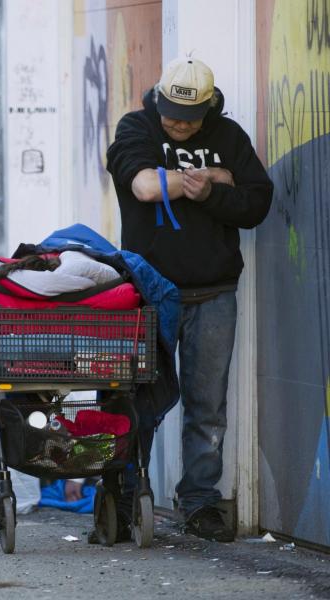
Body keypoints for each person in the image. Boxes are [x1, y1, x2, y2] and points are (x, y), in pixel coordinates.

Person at [106, 57, 273, 542]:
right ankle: (123, 495)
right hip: (148, 296)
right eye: (170, 114)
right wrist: (215, 177)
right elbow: (142, 186)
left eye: (188, 117)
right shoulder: (136, 127)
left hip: (213, 292)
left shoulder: (230, 137)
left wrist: (213, 194)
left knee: (208, 407)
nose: (177, 124)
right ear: (158, 100)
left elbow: (257, 203)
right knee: (138, 399)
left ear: (208, 108)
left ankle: (199, 502)